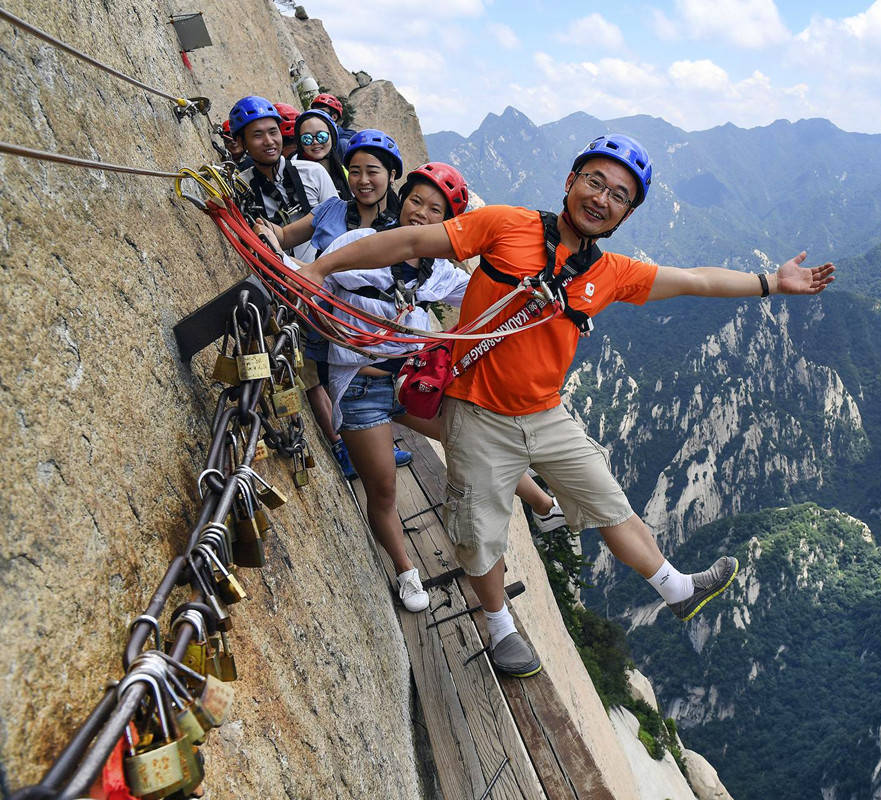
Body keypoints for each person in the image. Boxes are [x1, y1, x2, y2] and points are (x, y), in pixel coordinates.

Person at [299, 134, 835, 678]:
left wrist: (770, 283)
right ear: (570, 182)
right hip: (478, 413)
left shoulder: (611, 274)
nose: (603, 198)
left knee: (608, 501)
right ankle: (499, 626)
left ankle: (676, 588)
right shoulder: (507, 226)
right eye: (595, 181)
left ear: (627, 213)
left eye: (619, 195)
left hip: (547, 415)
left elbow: (694, 280)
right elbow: (408, 244)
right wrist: (318, 270)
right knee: (479, 533)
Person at [263, 162, 565, 611]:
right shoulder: (359, 245)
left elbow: (493, 296)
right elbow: (310, 275)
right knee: (383, 488)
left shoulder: (439, 272)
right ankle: (406, 571)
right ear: (402, 202)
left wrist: (540, 285)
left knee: (473, 440)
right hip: (361, 388)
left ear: (447, 223)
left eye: (434, 209)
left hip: (408, 384)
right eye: (416, 201)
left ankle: (544, 504)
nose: (420, 213)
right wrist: (268, 244)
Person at [259, 129, 412, 476]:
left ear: (391, 175)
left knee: (366, 397)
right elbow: (286, 235)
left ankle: (372, 446)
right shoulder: (331, 210)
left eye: (372, 171)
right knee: (328, 386)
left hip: (366, 336)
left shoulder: (402, 230)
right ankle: (357, 447)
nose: (362, 180)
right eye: (354, 171)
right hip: (318, 325)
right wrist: (266, 231)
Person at [229, 96, 338, 264]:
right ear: (242, 143)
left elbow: (337, 228)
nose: (269, 141)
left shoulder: (314, 173)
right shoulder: (240, 187)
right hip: (277, 281)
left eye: (273, 132)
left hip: (322, 276)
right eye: (258, 135)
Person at [293, 109, 350, 201]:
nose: (315, 142)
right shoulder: (292, 174)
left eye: (322, 136)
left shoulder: (345, 173)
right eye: (307, 138)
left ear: (332, 137)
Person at [310, 93, 355, 157]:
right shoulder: (310, 135)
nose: (316, 116)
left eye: (321, 112)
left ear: (334, 117)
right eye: (314, 112)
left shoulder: (345, 138)